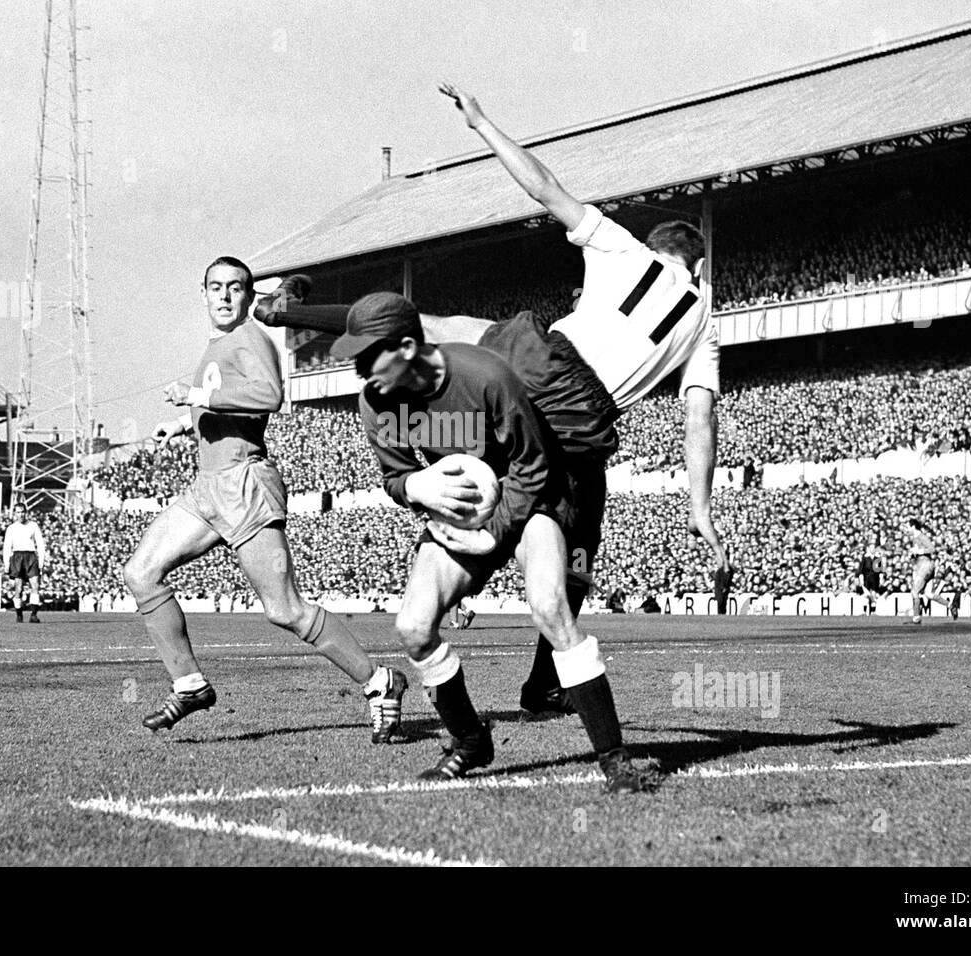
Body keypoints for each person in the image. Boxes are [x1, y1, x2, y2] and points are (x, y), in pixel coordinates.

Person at [254, 82, 734, 712]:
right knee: (580, 536)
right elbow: (700, 421)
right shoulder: (704, 323)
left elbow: (544, 187)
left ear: (658, 250)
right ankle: (543, 680)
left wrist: (483, 124)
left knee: (432, 327)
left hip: (533, 352)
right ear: (696, 268)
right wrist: (699, 506)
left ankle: (291, 313)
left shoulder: (626, 248)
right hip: (578, 413)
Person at [335, 290, 656, 793]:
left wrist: (494, 529)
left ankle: (615, 760)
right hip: (459, 515)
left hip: (527, 504)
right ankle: (469, 741)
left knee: (551, 607)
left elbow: (534, 465)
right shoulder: (375, 399)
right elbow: (396, 478)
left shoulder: (484, 373)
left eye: (366, 355)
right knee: (414, 627)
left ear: (404, 347)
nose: (358, 370)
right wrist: (416, 487)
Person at [122, 256, 407, 742]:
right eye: (216, 287)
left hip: (246, 486)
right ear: (204, 294)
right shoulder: (216, 347)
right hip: (208, 486)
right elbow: (228, 404)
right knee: (141, 573)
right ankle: (189, 684)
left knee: (285, 610)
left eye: (236, 287)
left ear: (249, 296)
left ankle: (380, 683)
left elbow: (269, 396)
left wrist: (196, 398)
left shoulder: (251, 337)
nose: (226, 296)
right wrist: (186, 423)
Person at [903, 518, 959, 624]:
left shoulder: (921, 536)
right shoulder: (915, 538)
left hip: (925, 566)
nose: (906, 529)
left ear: (913, 527)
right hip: (924, 566)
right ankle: (951, 606)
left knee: (915, 591)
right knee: (929, 594)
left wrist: (919, 551)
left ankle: (916, 618)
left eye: (907, 526)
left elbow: (932, 549)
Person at [2, 502, 46, 623]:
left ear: (26, 513)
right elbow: (7, 547)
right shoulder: (11, 528)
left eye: (22, 512)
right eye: (18, 512)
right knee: (18, 588)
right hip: (17, 557)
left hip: (31, 556)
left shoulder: (33, 526)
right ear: (14, 513)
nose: (20, 514)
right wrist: (6, 564)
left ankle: (34, 615)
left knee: (35, 585)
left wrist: (41, 562)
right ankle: (19, 614)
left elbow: (40, 544)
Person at [857, 532, 886, 614]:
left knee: (873, 595)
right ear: (869, 548)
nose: (872, 549)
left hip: (875, 579)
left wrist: (881, 579)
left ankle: (873, 611)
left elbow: (880, 571)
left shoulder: (877, 558)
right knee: (866, 595)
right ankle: (865, 611)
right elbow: (861, 570)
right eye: (871, 548)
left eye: (874, 548)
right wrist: (861, 579)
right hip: (866, 579)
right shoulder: (865, 558)